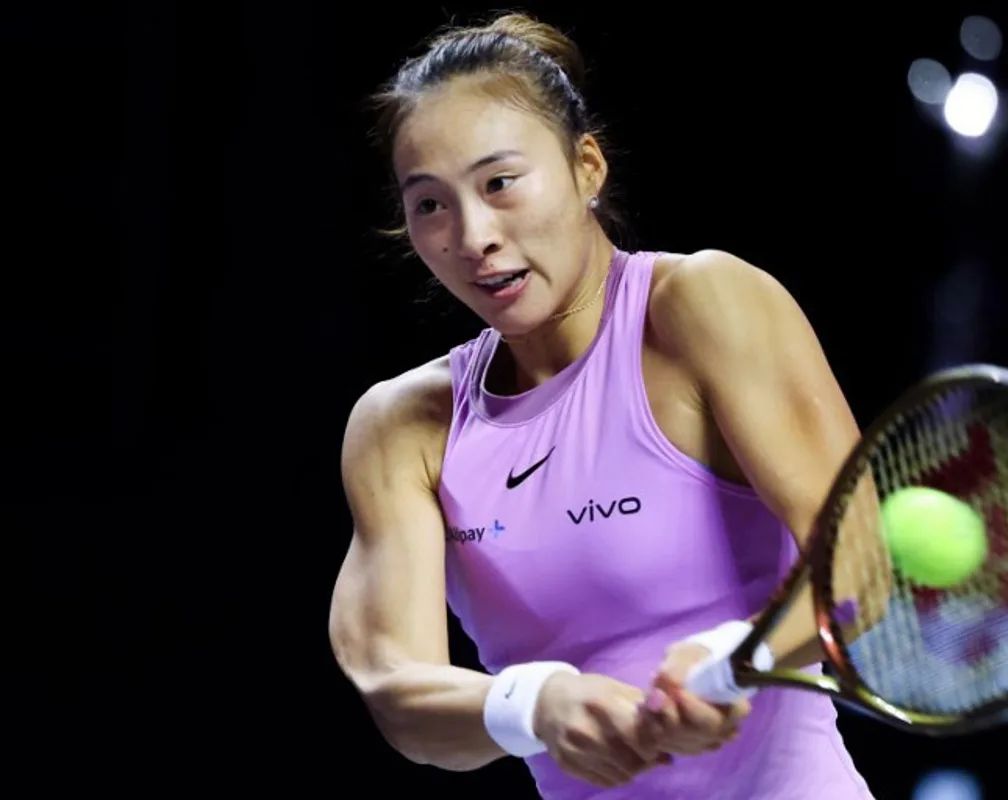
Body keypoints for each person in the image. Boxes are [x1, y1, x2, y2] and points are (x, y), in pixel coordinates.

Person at [328, 12, 875, 799]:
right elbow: (397, 692)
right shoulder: (400, 427)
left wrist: (736, 661)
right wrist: (533, 704)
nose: (472, 234)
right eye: (430, 204)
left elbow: (865, 561)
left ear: (588, 168)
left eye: (500, 183)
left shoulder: (702, 307)